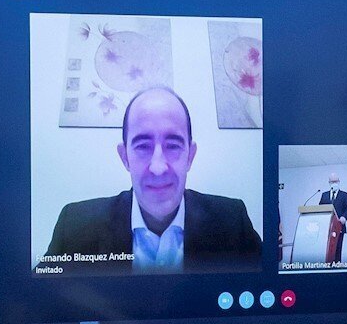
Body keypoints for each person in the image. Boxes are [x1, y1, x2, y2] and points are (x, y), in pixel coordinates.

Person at [43, 86, 262, 272]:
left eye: (173, 145)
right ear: (125, 157)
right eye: (143, 146)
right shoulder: (74, 227)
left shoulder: (234, 223)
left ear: (190, 156)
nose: (158, 167)